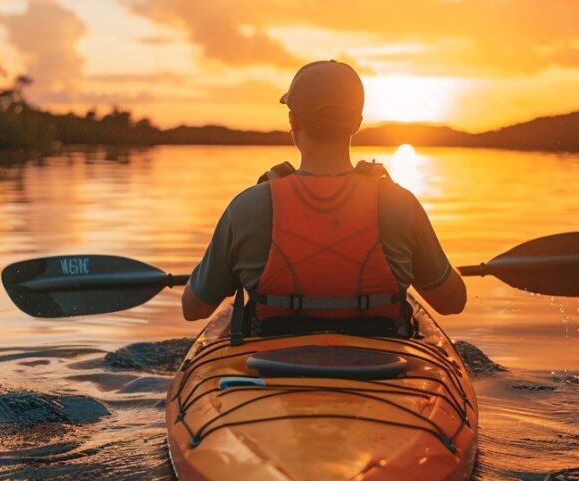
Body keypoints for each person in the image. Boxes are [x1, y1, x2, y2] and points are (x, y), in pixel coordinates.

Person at [181, 60, 466, 337]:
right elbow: (452, 302)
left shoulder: (247, 207)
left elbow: (193, 308)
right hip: (382, 369)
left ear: (293, 121)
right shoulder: (400, 205)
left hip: (268, 371)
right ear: (356, 123)